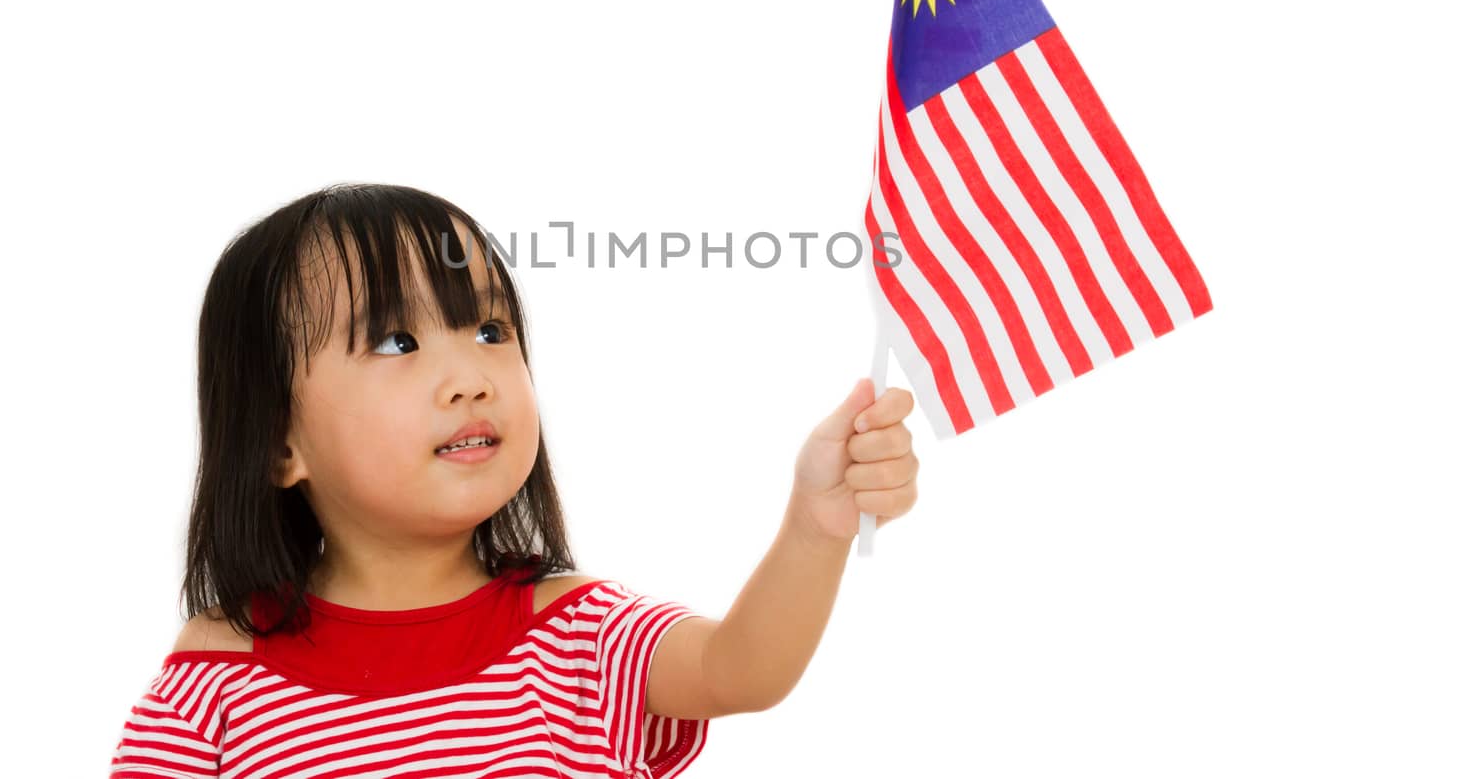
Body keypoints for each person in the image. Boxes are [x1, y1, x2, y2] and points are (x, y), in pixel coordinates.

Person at [108, 183, 918, 778]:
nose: (470, 375)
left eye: (490, 328)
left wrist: (816, 525)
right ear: (280, 442)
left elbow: (738, 668)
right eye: (396, 342)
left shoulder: (576, 631)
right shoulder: (221, 676)